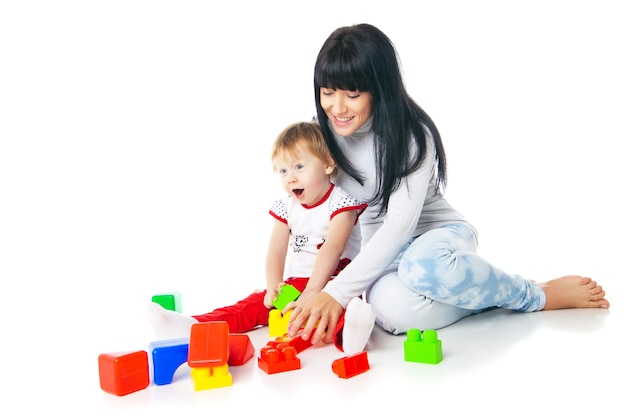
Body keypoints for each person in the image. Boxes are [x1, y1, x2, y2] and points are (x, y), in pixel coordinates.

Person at [287, 23, 610, 346]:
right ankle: (485, 295)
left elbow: (400, 225)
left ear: (379, 89)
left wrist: (337, 292)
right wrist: (316, 289)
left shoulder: (411, 136)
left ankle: (534, 294)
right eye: (327, 92)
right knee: (390, 313)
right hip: (384, 257)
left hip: (438, 240)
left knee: (423, 266)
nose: (337, 108)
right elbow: (316, 207)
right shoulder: (320, 134)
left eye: (352, 94)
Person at [146, 121, 374, 354]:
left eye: (298, 167)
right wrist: (273, 285)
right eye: (283, 171)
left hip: (332, 286)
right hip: (297, 285)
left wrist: (313, 291)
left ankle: (352, 335)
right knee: (250, 306)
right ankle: (193, 326)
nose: (290, 178)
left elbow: (333, 248)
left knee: (339, 311)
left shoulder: (342, 203)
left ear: (328, 163)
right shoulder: (287, 207)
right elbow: (276, 250)